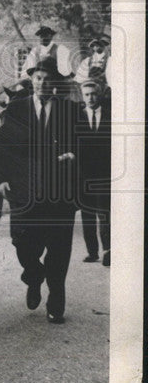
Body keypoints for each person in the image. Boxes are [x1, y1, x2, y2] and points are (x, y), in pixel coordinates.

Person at [0, 57, 79, 324]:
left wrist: (73, 155)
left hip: (59, 192)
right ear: (32, 81)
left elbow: (84, 146)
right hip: (24, 190)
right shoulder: (16, 110)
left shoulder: (71, 111)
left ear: (55, 84)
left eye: (48, 79)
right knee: (23, 243)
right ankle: (33, 276)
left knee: (59, 247)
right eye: (38, 78)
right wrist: (1, 179)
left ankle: (56, 300)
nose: (43, 83)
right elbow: (2, 148)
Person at [76, 78, 111, 266]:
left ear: (99, 95)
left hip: (105, 175)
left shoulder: (110, 116)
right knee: (87, 214)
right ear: (83, 96)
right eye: (87, 94)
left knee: (104, 213)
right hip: (84, 175)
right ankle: (92, 252)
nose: (90, 98)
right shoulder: (77, 117)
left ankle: (108, 250)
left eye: (93, 94)